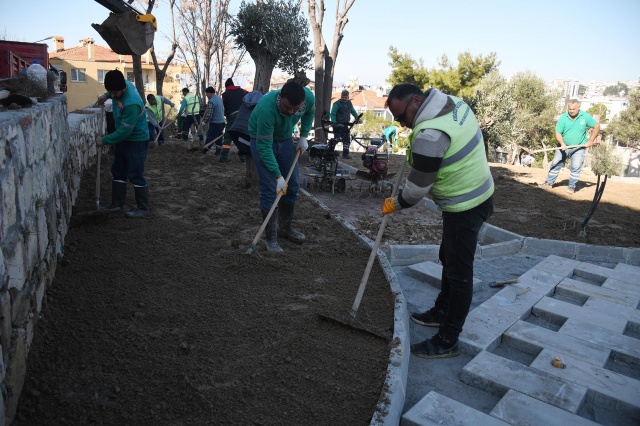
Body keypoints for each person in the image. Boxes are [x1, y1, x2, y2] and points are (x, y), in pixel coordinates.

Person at [382, 84, 494, 359]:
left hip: (465, 205)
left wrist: (396, 203)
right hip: (479, 192)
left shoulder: (429, 136)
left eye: (401, 117)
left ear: (416, 100)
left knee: (459, 274)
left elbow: (416, 191)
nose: (402, 124)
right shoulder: (453, 103)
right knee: (448, 256)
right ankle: (442, 310)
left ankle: (447, 340)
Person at [248, 81, 315, 253]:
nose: (291, 112)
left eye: (295, 109)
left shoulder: (308, 97)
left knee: (292, 184)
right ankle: (271, 239)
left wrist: (304, 136)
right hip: (262, 141)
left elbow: (309, 113)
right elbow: (264, 148)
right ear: (280, 97)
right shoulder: (266, 108)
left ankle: (284, 228)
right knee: (270, 189)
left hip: (285, 139)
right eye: (287, 107)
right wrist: (278, 177)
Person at [96, 69, 151, 218]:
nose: (113, 96)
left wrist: (104, 140)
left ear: (123, 88)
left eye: (114, 93)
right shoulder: (122, 83)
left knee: (135, 173)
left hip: (136, 141)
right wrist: (105, 95)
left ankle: (143, 208)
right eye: (110, 92)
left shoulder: (132, 104)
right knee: (118, 170)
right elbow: (122, 133)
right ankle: (117, 204)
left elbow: (125, 132)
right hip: (123, 139)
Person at [539, 99, 600, 194]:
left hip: (579, 147)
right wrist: (562, 143)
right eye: (569, 109)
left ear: (578, 107)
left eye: (573, 109)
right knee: (555, 163)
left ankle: (572, 186)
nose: (571, 111)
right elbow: (558, 133)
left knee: (576, 166)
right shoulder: (563, 118)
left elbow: (597, 126)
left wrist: (591, 140)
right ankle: (549, 183)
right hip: (563, 146)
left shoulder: (585, 116)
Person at [228, 90, 264, 162]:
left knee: (242, 144)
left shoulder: (244, 103)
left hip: (235, 129)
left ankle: (242, 153)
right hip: (247, 132)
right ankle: (243, 155)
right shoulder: (262, 106)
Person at [221, 78, 248, 160]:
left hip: (233, 116)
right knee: (242, 136)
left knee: (228, 137)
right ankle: (243, 158)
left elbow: (225, 109)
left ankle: (223, 158)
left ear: (226, 86)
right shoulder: (243, 91)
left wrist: (228, 117)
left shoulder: (225, 95)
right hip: (243, 116)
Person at [330, 89, 361, 159]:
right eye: (343, 97)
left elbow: (353, 111)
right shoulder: (336, 104)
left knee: (347, 140)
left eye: (345, 97)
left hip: (345, 125)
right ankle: (330, 152)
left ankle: (345, 154)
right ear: (341, 96)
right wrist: (334, 123)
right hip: (337, 126)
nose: (344, 98)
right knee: (336, 140)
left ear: (348, 97)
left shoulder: (349, 103)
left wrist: (357, 118)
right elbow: (333, 114)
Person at [201, 87, 226, 159]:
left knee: (210, 136)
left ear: (209, 93)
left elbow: (210, 114)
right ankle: (218, 150)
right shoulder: (218, 98)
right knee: (218, 136)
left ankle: (205, 149)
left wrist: (205, 122)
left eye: (206, 93)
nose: (206, 95)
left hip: (215, 122)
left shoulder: (211, 101)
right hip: (222, 121)